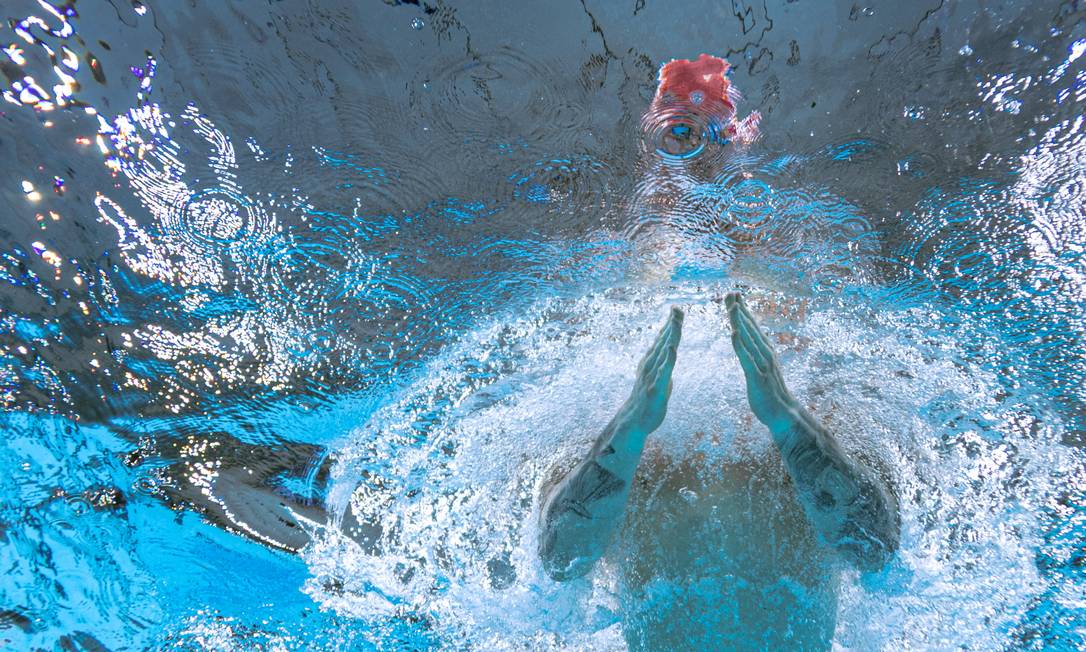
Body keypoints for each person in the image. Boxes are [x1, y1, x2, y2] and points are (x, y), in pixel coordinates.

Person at [537, 295, 900, 649]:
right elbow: (561, 561)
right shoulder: (627, 447)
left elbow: (875, 550)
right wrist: (629, 430)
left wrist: (787, 421)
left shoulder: (831, 426)